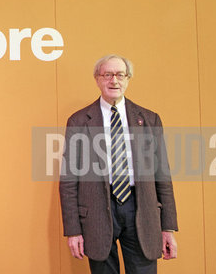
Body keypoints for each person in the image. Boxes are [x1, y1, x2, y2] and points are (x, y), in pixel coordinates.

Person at [59, 54, 178, 274]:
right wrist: (73, 230)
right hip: (97, 212)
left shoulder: (149, 120)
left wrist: (167, 227)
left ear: (128, 79)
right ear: (97, 79)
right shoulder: (78, 121)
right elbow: (68, 180)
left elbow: (163, 176)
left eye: (120, 75)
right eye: (108, 75)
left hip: (141, 210)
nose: (114, 81)